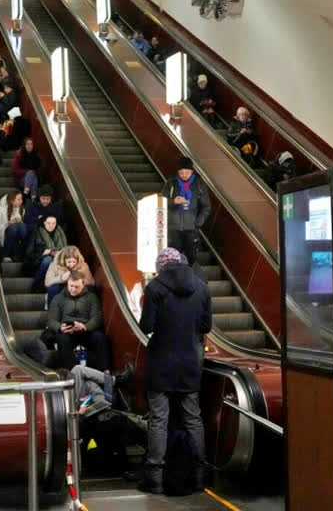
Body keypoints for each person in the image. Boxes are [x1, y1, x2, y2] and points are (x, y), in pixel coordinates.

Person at [137, 248, 212, 494]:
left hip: (161, 361)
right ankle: (199, 475)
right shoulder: (201, 287)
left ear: (161, 266)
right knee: (193, 418)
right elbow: (206, 325)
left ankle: (155, 479)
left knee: (159, 419)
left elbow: (146, 325)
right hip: (190, 360)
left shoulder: (155, 288)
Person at [47, 272, 111, 371]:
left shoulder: (91, 297)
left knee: (100, 338)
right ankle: (73, 371)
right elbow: (51, 320)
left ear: (83, 285)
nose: (73, 289)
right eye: (71, 286)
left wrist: (86, 326)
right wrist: (60, 327)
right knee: (61, 339)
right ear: (67, 284)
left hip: (86, 330)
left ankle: (104, 372)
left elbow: (97, 317)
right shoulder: (58, 298)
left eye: (77, 287)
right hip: (67, 331)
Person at [160, 157, 211, 267]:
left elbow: (206, 207)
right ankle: (175, 280)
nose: (184, 175)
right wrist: (173, 201)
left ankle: (187, 280)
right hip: (174, 228)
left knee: (191, 257)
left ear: (192, 171)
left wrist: (198, 222)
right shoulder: (171, 184)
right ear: (178, 172)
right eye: (181, 172)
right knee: (173, 258)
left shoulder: (199, 185)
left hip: (191, 228)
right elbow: (161, 202)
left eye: (187, 172)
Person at [25, 214, 67, 291]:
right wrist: (43, 252)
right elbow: (29, 253)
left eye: (54, 223)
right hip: (36, 262)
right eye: (49, 223)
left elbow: (65, 250)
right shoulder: (37, 232)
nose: (51, 225)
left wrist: (56, 253)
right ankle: (36, 285)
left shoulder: (60, 232)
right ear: (44, 222)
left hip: (56, 260)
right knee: (48, 259)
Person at [0, 191, 28, 261]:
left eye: (21, 199)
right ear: (12, 201)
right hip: (2, 236)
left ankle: (19, 254)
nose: (21, 201)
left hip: (16, 237)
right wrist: (7, 224)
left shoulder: (22, 210)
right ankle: (5, 254)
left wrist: (19, 222)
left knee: (23, 227)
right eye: (18, 199)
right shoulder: (0, 210)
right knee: (13, 228)